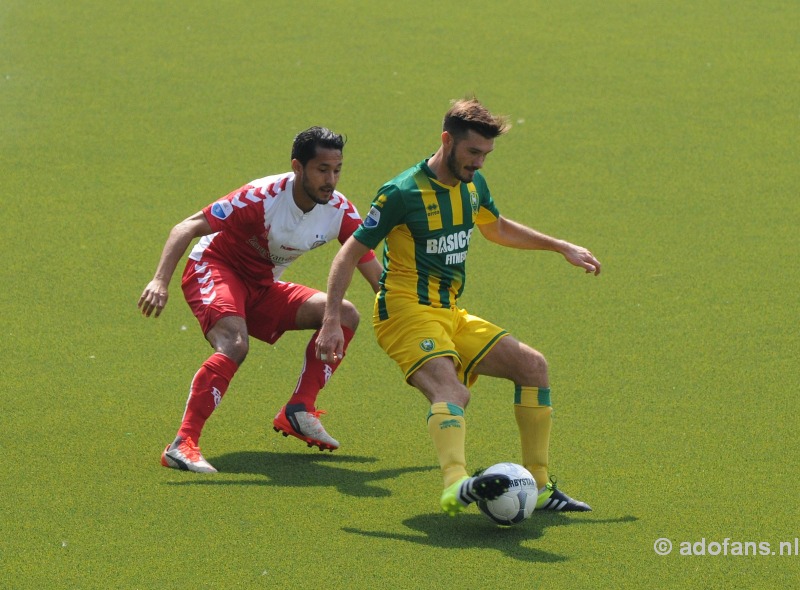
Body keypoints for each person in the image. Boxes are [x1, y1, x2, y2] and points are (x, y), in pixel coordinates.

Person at [316, 98, 601, 515]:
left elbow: (497, 228)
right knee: (453, 392)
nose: (480, 163)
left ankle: (539, 487)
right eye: (473, 152)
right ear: (447, 140)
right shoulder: (402, 192)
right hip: (404, 311)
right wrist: (330, 320)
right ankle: (454, 485)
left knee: (533, 367)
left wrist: (560, 246)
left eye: (486, 155)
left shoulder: (472, 185)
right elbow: (350, 252)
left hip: (449, 312)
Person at [138, 126, 382, 473]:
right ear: (298, 167)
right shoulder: (261, 197)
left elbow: (374, 271)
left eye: (337, 169)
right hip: (214, 268)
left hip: (262, 286)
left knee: (344, 314)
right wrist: (160, 281)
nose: (331, 179)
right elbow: (186, 227)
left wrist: (403, 312)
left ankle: (299, 410)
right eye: (322, 170)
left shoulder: (339, 210)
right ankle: (182, 444)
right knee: (235, 344)